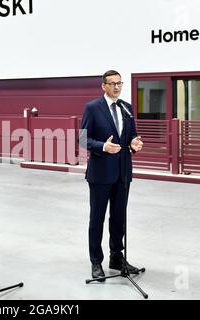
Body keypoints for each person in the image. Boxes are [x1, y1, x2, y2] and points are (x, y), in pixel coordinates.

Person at [79, 70, 143, 281]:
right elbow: (82, 140)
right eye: (112, 83)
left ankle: (117, 257)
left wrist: (134, 143)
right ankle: (96, 262)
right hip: (100, 174)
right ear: (103, 86)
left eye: (119, 83)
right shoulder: (93, 108)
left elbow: (131, 135)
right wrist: (102, 146)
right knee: (96, 219)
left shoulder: (127, 107)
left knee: (119, 218)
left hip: (123, 173)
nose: (117, 87)